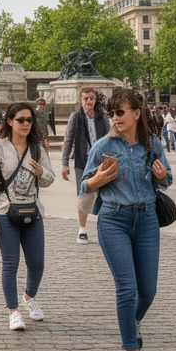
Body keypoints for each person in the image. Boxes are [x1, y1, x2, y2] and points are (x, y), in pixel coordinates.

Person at [80, 89, 170, 351]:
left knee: (148, 291)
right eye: (111, 113)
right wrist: (96, 179)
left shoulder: (152, 144)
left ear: (136, 113)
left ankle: (133, 320)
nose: (115, 118)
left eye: (120, 112)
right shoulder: (103, 145)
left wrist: (162, 176)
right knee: (127, 289)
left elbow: (167, 179)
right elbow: (84, 185)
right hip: (114, 219)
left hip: (147, 219)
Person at [0, 102, 54, 332]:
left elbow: (49, 179)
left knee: (37, 264)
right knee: (10, 263)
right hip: (5, 211)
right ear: (10, 121)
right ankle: (13, 311)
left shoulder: (37, 149)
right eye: (20, 119)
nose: (25, 124)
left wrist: (42, 172)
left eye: (29, 120)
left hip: (33, 211)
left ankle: (29, 297)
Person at [61, 87, 111, 245]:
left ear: (95, 100)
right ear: (80, 100)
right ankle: (82, 229)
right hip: (82, 160)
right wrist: (64, 163)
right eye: (85, 98)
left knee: (105, 194)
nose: (88, 101)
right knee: (84, 194)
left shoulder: (102, 117)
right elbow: (68, 139)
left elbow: (110, 137)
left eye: (91, 98)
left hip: (101, 161)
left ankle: (106, 229)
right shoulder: (76, 117)